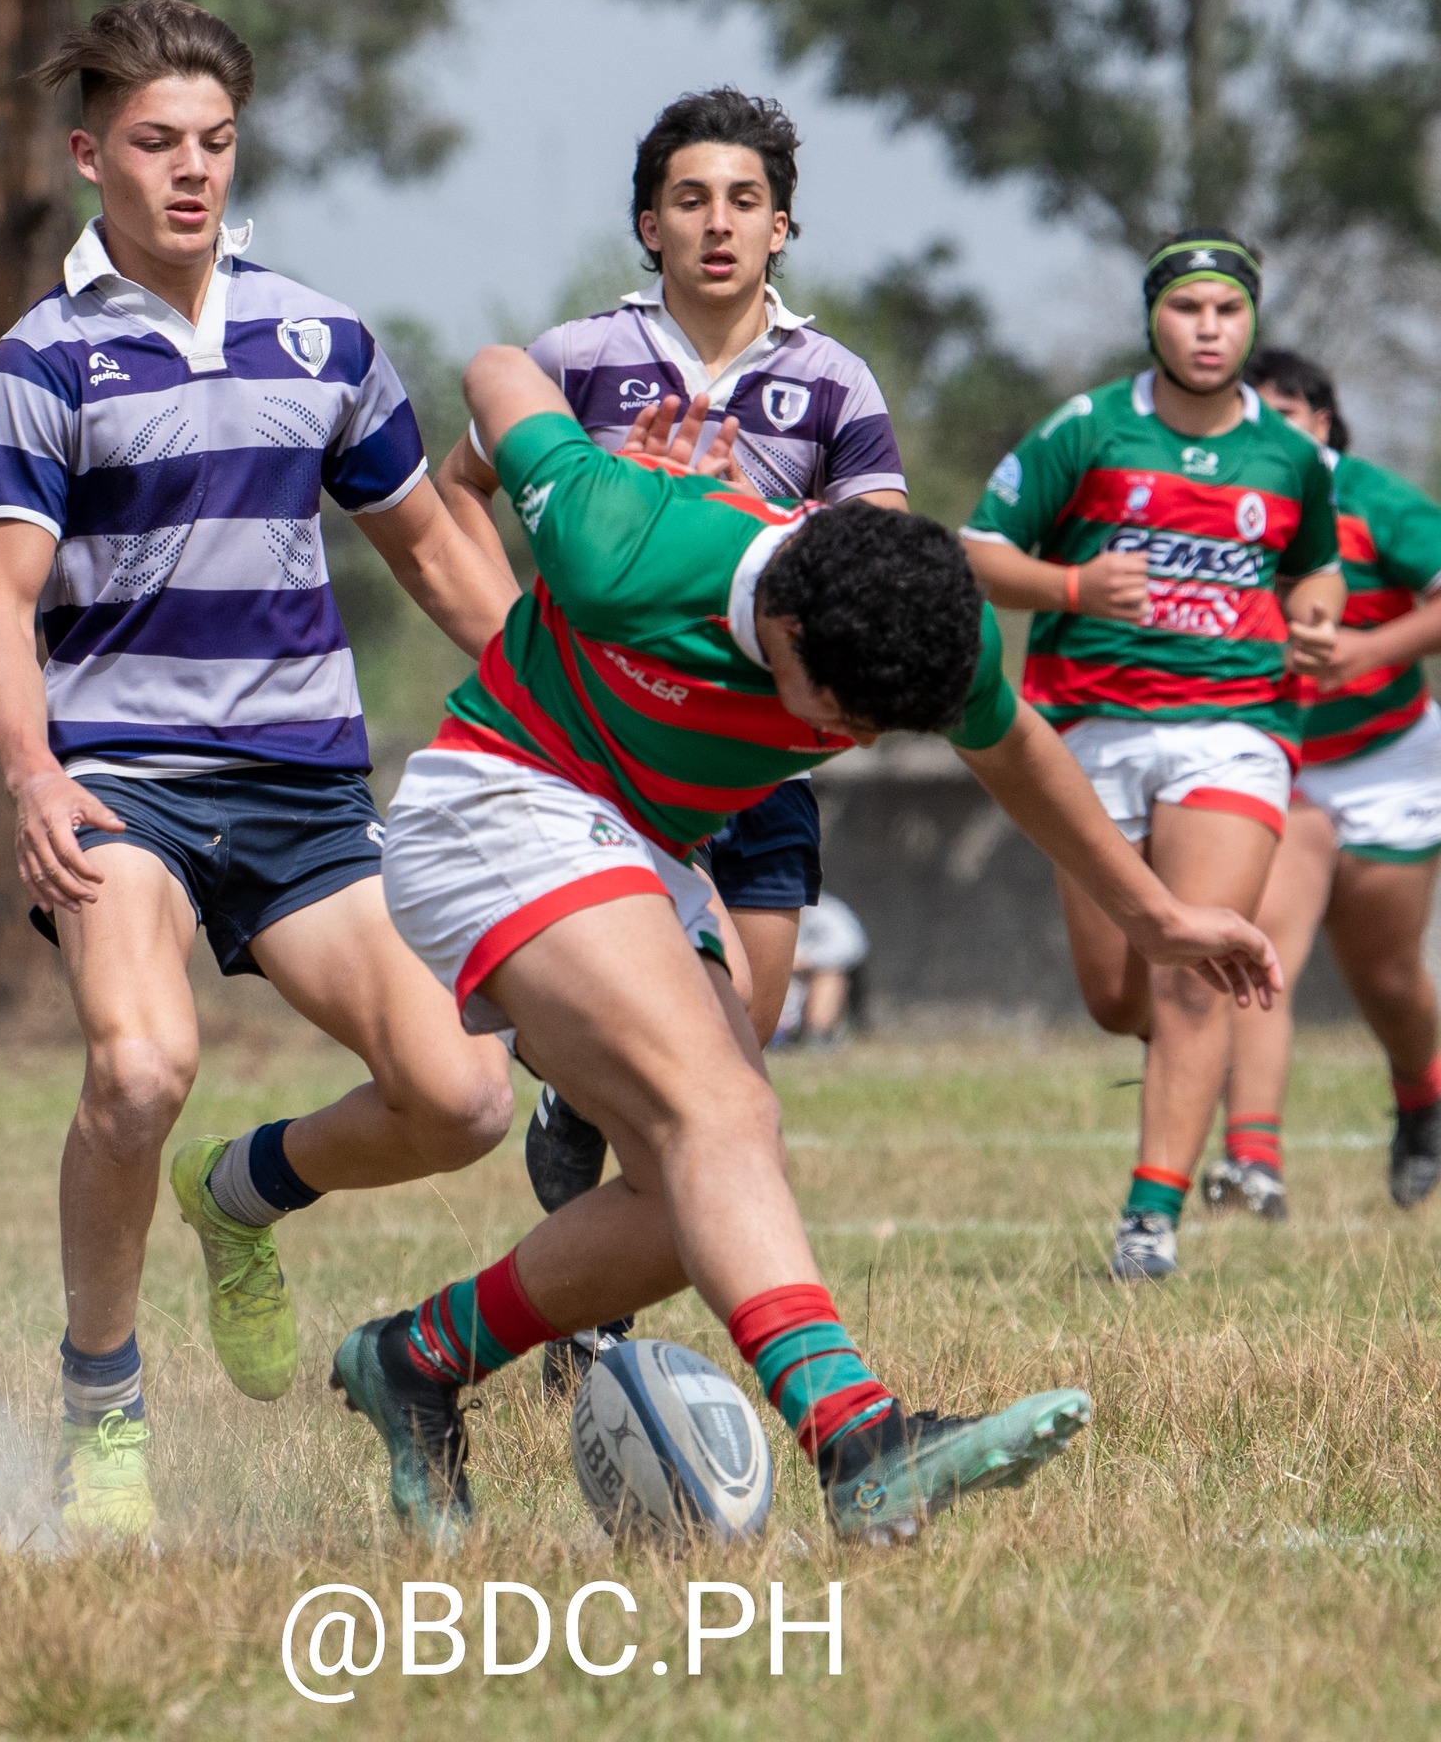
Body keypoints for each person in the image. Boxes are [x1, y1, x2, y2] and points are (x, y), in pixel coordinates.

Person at [329, 340, 1283, 1547]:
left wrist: (1153, 911)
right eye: (831, 712)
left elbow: (1017, 749)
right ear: (777, 617)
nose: (844, 737)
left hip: (639, 842)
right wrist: (542, 454)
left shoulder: (913, 625)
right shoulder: (622, 537)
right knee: (715, 1114)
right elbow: (496, 366)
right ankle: (860, 1440)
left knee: (704, 1190)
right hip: (498, 798)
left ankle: (412, 1359)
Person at [0, 0, 520, 1542]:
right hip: (121, 777)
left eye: (212, 143)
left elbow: (435, 555)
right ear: (90, 157)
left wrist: (570, 701)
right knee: (135, 1069)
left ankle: (242, 1191)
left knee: (465, 1097)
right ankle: (102, 1402)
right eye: (154, 145)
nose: (189, 172)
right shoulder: (40, 362)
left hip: (301, 787)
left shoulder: (323, 335)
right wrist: (31, 777)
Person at [437, 87, 908, 1384]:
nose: (717, 223)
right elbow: (457, 491)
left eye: (744, 202)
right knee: (677, 1080)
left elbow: (871, 560)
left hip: (750, 756)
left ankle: (581, 1176)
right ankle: (591, 1326)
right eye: (691, 199)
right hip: (598, 756)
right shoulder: (580, 354)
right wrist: (513, 623)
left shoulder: (831, 382)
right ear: (649, 222)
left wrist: (736, 529)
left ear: (782, 227)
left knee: (735, 1047)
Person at [961, 232, 1343, 1282]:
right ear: (1153, 320)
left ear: (1250, 321)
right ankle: (1176, 1075)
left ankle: (1147, 1217)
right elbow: (973, 551)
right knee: (1115, 994)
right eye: (1186, 309)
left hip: (1234, 726)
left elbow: (1315, 571)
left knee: (1190, 973)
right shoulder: (1086, 430)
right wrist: (1074, 590)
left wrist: (1312, 621)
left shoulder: (1293, 457)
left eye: (1226, 310)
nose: (1207, 329)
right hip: (1088, 725)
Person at [1204, 350, 1441, 1217]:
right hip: (1279, 760)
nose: (1270, 430)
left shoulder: (1373, 501)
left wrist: (1366, 652)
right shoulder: (1220, 507)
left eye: (1290, 414)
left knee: (1387, 980)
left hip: (1388, 757)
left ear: (1325, 424)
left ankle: (1423, 1098)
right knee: (1264, 945)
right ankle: (1252, 1161)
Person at [777, 893, 870, 1045]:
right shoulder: (761, 910)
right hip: (779, 983)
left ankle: (817, 1037)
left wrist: (804, 961)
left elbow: (852, 947)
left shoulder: (827, 912)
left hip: (808, 984)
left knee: (830, 977)